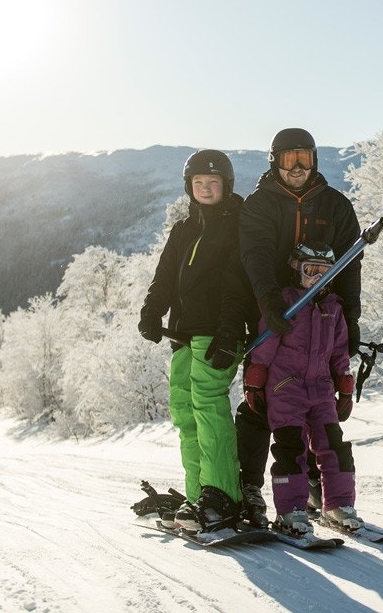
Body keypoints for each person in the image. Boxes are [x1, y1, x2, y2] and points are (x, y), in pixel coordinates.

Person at [235, 127, 363, 529]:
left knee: (326, 430)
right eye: (288, 159)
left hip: (322, 317)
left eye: (304, 158)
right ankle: (252, 490)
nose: (297, 167)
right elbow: (255, 255)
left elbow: (349, 266)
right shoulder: (260, 204)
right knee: (263, 417)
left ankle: (323, 497)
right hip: (269, 312)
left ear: (315, 160)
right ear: (274, 161)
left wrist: (350, 320)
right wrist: (270, 302)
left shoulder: (335, 205)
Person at [138, 149, 258, 534]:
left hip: (216, 333)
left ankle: (223, 496)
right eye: (199, 183)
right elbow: (164, 275)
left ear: (226, 186)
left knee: (208, 406)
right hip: (183, 335)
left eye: (214, 183)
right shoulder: (183, 229)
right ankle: (197, 498)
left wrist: (228, 332)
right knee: (184, 411)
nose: (206, 189)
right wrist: (152, 310)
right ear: (189, 188)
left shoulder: (236, 226)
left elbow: (237, 285)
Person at [244, 243, 359, 537]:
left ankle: (339, 504)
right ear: (297, 270)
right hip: (286, 387)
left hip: (321, 388)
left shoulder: (333, 308)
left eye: (324, 272)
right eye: (311, 271)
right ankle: (291, 510)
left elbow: (339, 353)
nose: (317, 278)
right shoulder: (286, 302)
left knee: (334, 446)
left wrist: (344, 385)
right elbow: (266, 344)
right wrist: (256, 378)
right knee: (290, 448)